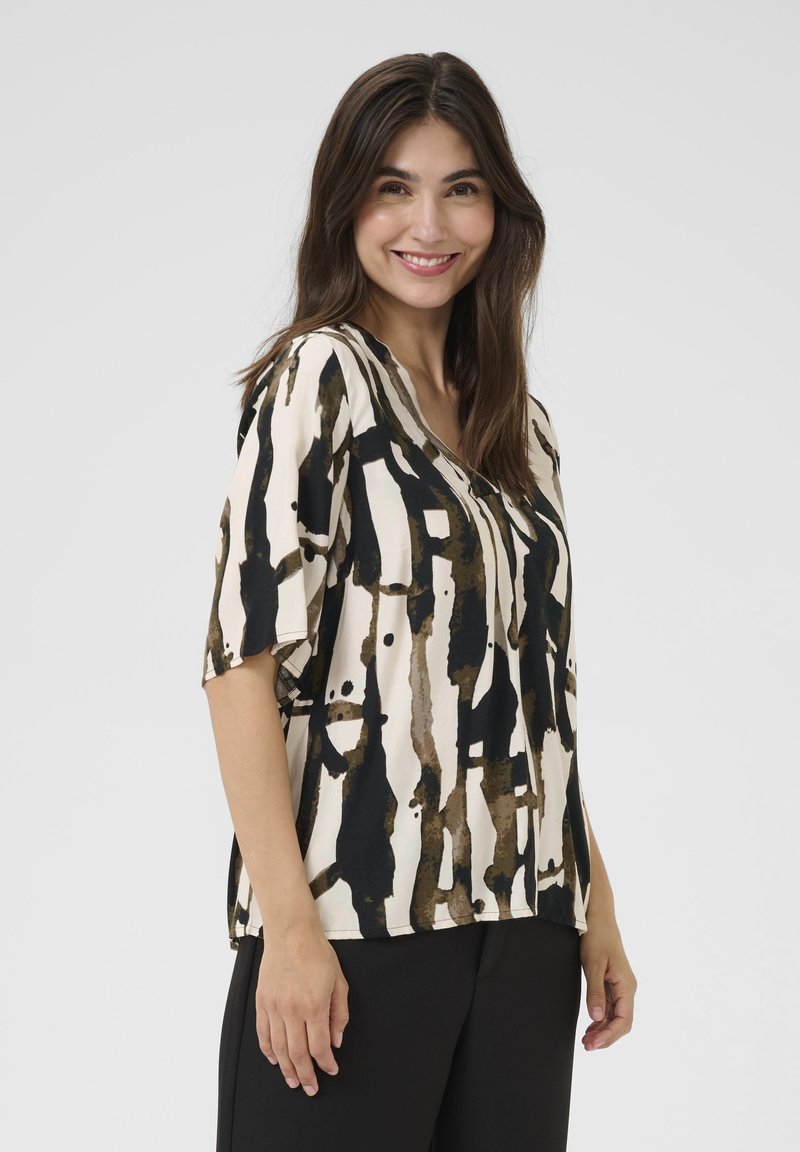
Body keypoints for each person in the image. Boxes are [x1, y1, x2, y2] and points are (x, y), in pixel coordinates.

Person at [200, 50, 637, 1152]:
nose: (428, 225)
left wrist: (595, 904)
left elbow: (534, 698)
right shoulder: (320, 380)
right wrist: (290, 927)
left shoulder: (520, 428)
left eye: (461, 188)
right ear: (346, 204)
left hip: (526, 934)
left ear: (499, 210)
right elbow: (240, 663)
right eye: (394, 187)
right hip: (354, 926)